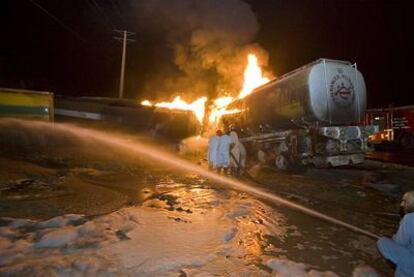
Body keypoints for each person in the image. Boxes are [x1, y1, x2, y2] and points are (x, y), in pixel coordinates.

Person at [377, 191, 414, 277]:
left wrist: (393, 236)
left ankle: (403, 268)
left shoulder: (410, 218)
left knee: (382, 242)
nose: (401, 204)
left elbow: (400, 242)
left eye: (403, 201)